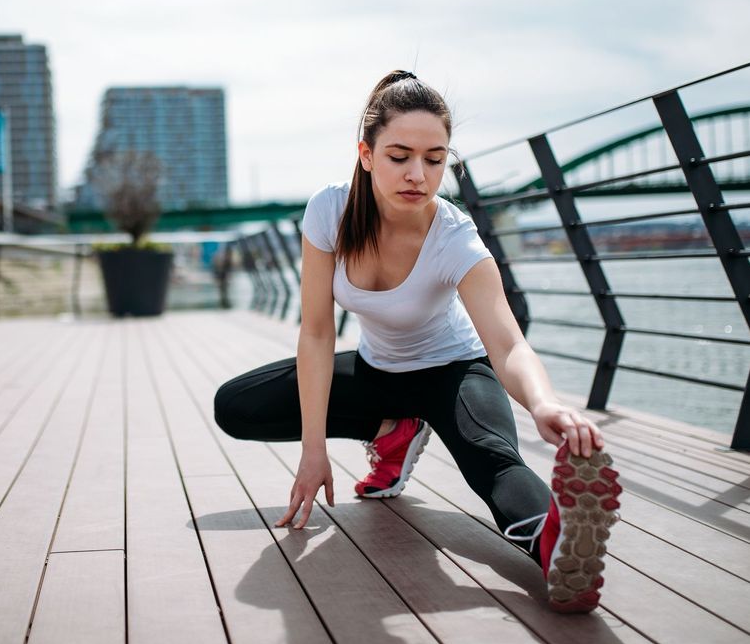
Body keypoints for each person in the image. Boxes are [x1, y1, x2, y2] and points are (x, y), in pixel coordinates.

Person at [214, 70, 621, 613]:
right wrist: (314, 451)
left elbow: (507, 343)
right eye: (400, 155)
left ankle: (559, 549)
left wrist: (544, 403)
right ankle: (394, 432)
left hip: (451, 372)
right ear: (366, 154)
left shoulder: (454, 235)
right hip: (375, 370)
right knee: (236, 407)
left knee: (491, 462)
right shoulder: (330, 211)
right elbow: (315, 332)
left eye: (435, 159)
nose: (418, 174)